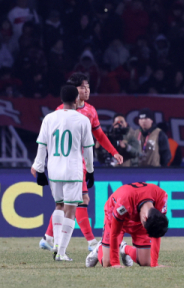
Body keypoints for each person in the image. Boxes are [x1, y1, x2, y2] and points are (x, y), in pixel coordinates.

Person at [39, 73, 123, 253]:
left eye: (88, 87)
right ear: (73, 91)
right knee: (79, 200)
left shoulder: (91, 111)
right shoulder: (61, 110)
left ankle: (48, 237)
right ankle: (91, 241)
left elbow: (99, 135)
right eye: (82, 87)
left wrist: (114, 151)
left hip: (80, 163)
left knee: (65, 203)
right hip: (71, 164)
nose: (86, 90)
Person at [31, 85, 95, 261]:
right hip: (73, 170)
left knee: (59, 206)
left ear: (61, 99)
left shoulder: (49, 118)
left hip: (54, 169)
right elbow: (88, 149)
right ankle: (61, 252)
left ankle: (57, 245)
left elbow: (41, 145)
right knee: (71, 211)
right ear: (76, 100)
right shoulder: (83, 120)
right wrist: (90, 171)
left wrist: (39, 168)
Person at [85, 182, 169, 268]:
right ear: (145, 218)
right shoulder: (124, 202)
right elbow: (115, 232)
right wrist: (115, 263)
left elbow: (156, 232)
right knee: (108, 263)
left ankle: (123, 248)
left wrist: (154, 264)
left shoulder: (161, 198)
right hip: (115, 215)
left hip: (137, 214)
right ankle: (100, 248)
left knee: (146, 262)